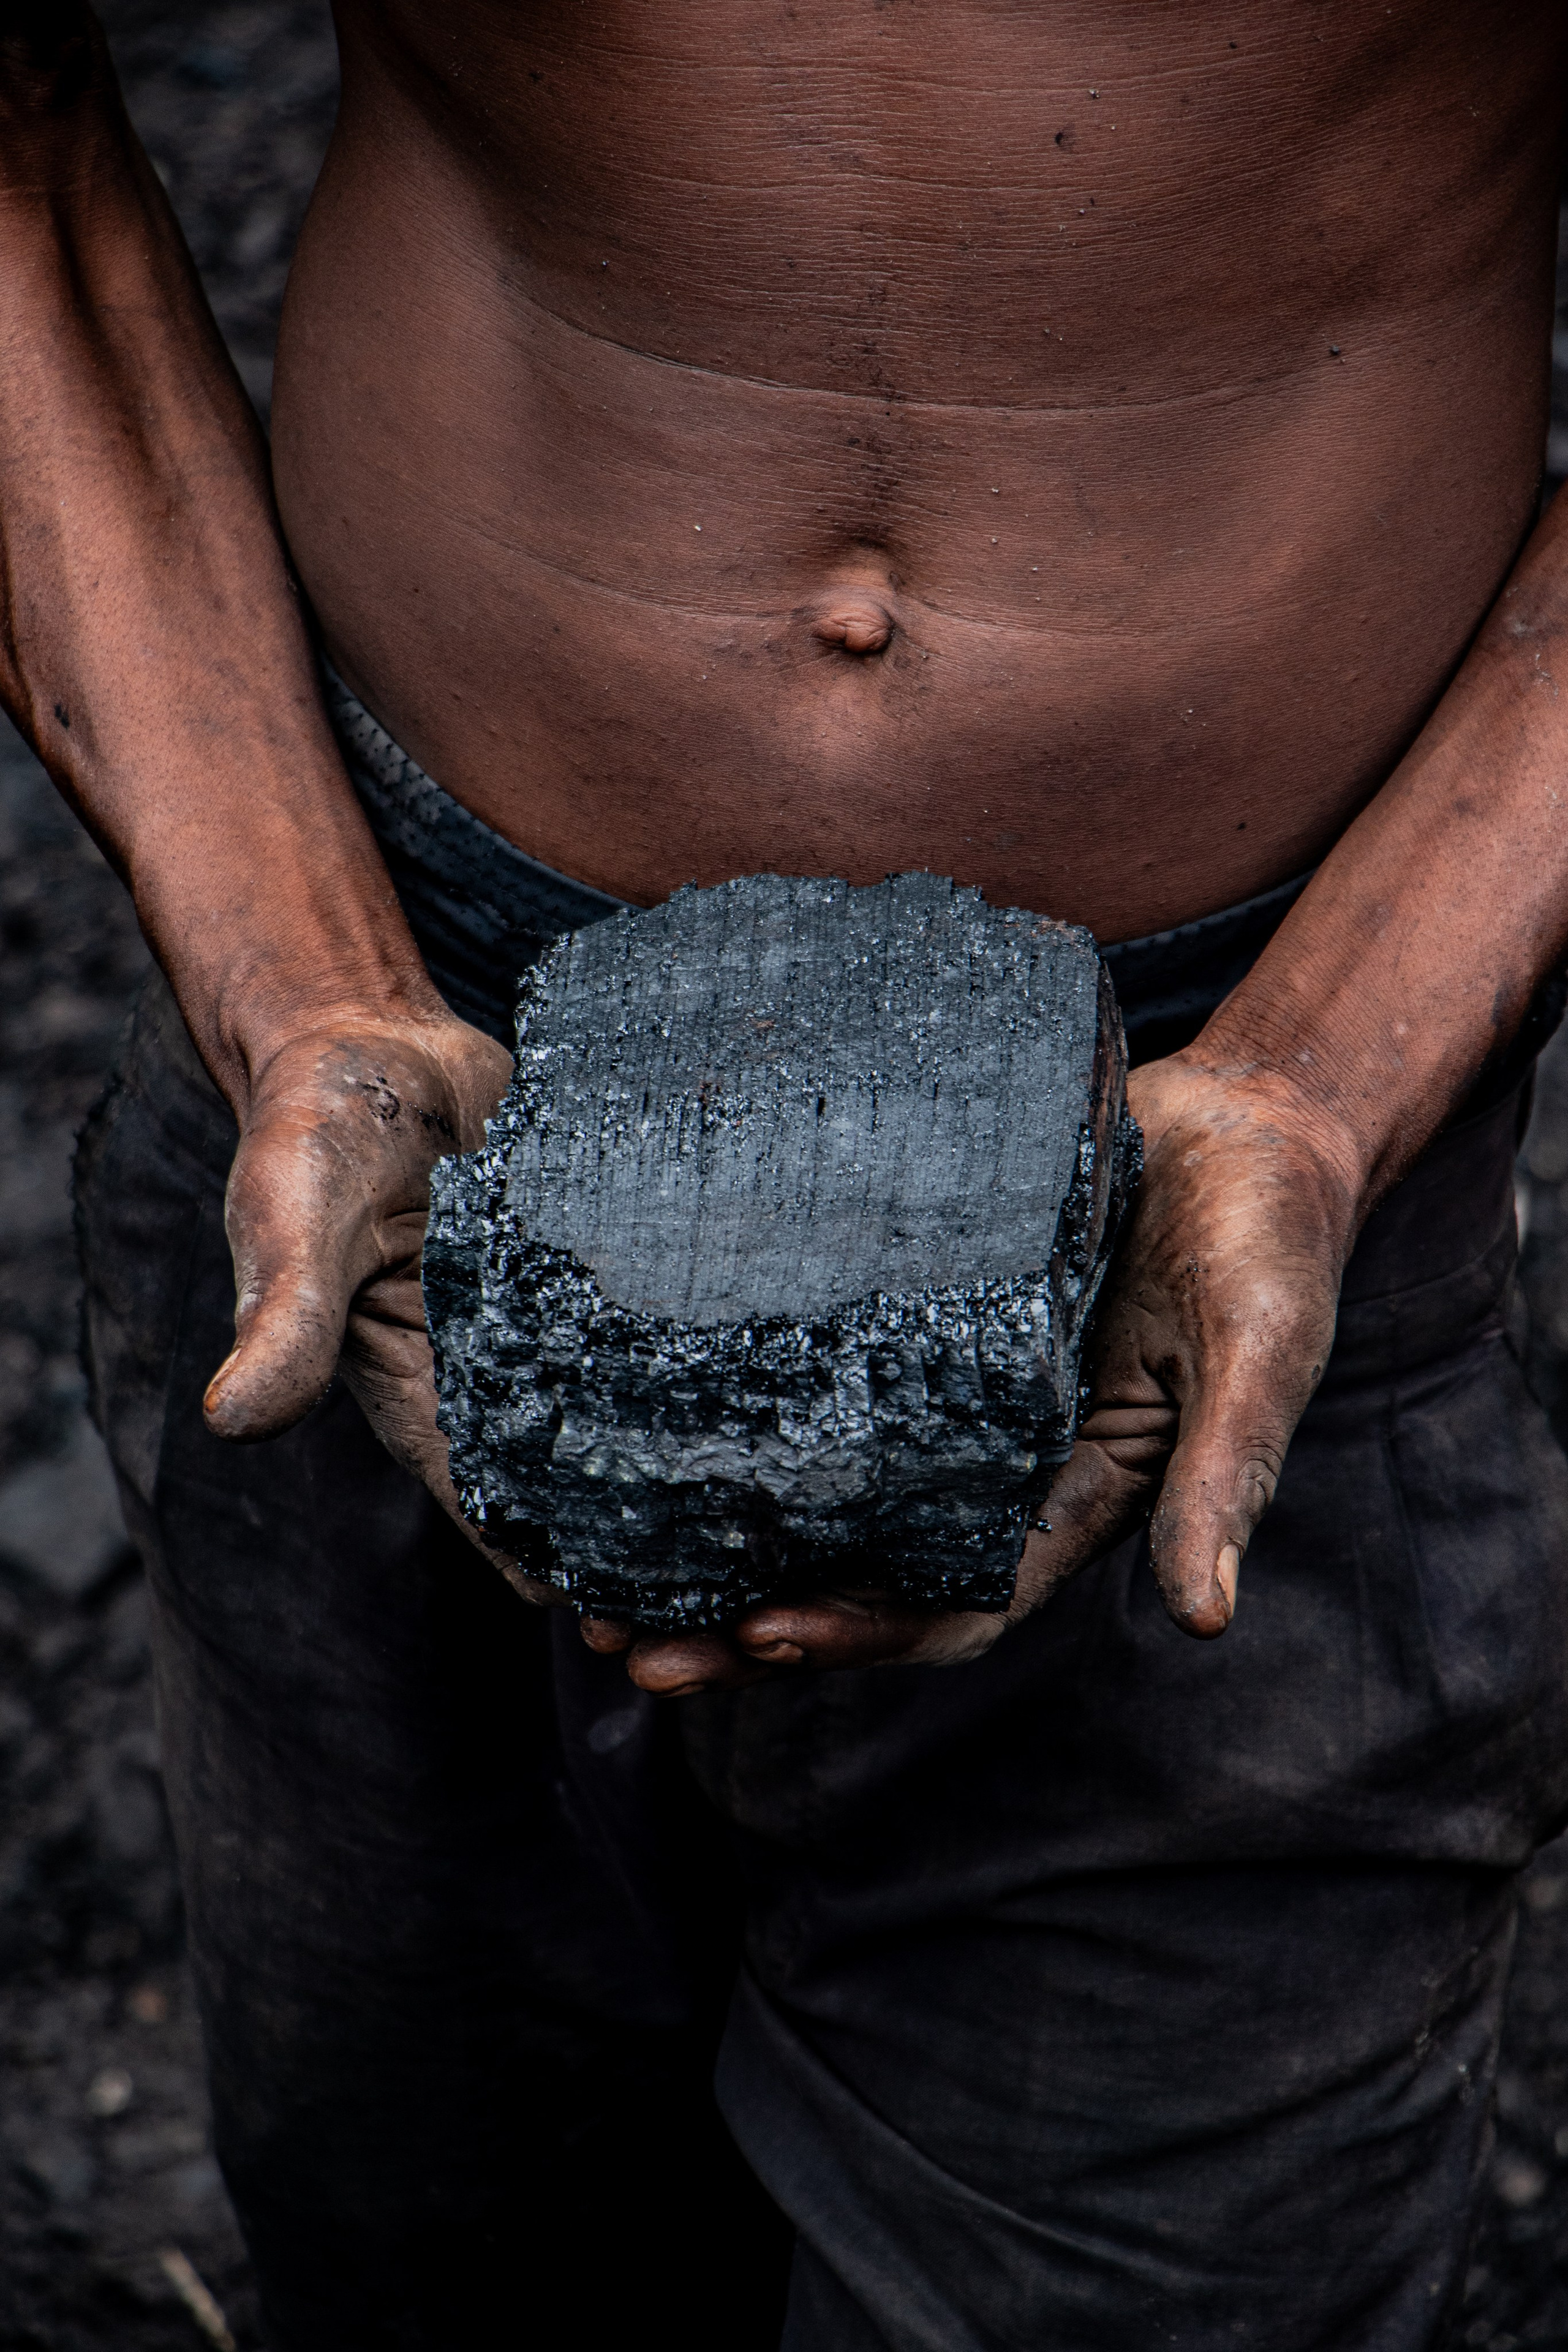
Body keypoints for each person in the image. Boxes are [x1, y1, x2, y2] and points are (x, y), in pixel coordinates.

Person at [5, 1, 1568, 2343]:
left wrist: (1329, 1081)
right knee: (446, 2255)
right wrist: (288, 974)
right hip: (377, 1084)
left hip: (1261, 1122)